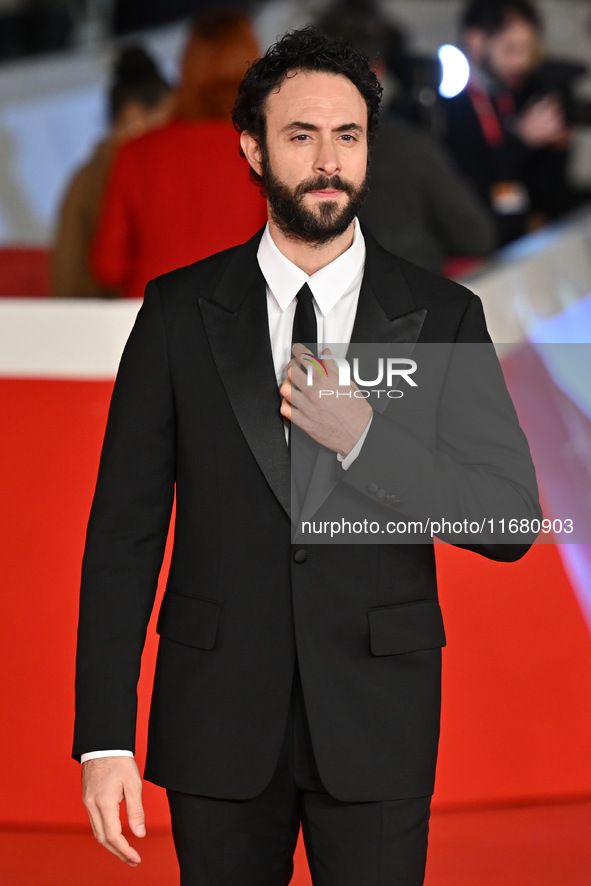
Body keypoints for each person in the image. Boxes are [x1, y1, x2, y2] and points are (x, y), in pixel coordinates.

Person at [74, 26, 541, 886]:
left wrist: (367, 440)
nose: (328, 160)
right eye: (301, 135)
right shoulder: (178, 312)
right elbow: (123, 537)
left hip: (377, 722)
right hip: (215, 719)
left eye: (348, 135)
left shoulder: (439, 315)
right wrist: (104, 739)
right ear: (253, 148)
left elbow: (509, 518)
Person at [90, 9, 267, 299]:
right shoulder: (268, 151)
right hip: (239, 323)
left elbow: (108, 268)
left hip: (150, 322)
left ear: (185, 67)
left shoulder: (135, 153)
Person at [317, 1, 496, 272]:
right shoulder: (408, 146)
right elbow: (476, 235)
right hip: (415, 303)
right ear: (377, 70)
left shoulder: (291, 150)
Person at [442, 0, 578, 245]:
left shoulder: (516, 93)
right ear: (475, 41)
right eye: (511, 49)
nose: (522, 63)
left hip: (523, 243)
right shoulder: (443, 107)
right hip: (478, 249)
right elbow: (462, 188)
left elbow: (541, 186)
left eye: (528, 50)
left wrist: (558, 147)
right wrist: (521, 140)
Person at [52, 45, 172, 298]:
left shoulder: (85, 175)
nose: (173, 131)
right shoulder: (119, 172)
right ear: (133, 116)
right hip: (116, 321)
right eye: (168, 118)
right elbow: (109, 270)